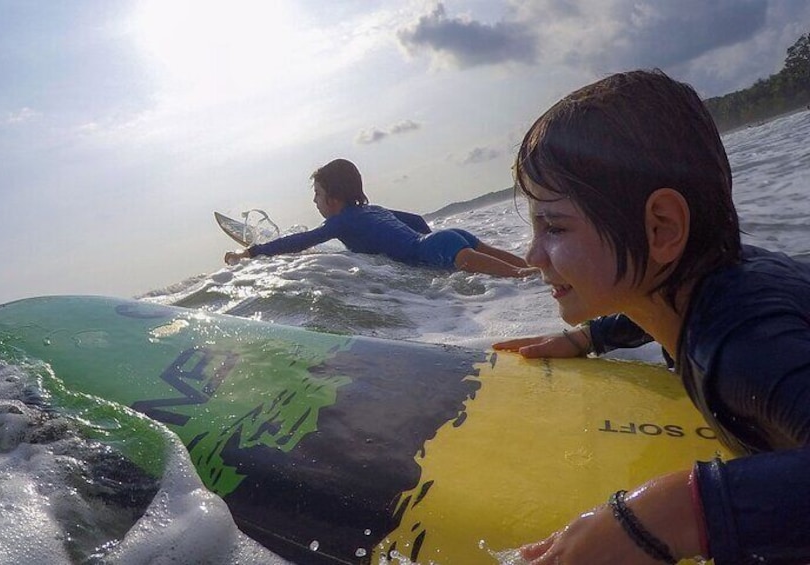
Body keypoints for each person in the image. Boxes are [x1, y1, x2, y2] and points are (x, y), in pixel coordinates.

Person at [493, 69, 810, 563]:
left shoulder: (743, 349)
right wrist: (588, 338)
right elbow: (656, 298)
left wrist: (665, 516)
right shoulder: (713, 285)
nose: (533, 254)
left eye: (553, 226)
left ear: (661, 228)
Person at [224, 158, 535, 278]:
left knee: (514, 278)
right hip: (448, 237)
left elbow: (300, 241)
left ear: (333, 199)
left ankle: (527, 275)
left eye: (317, 194)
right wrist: (429, 243)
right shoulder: (373, 210)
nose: (314, 200)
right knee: (525, 269)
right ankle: (536, 270)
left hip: (434, 249)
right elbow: (415, 220)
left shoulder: (339, 221)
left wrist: (250, 252)